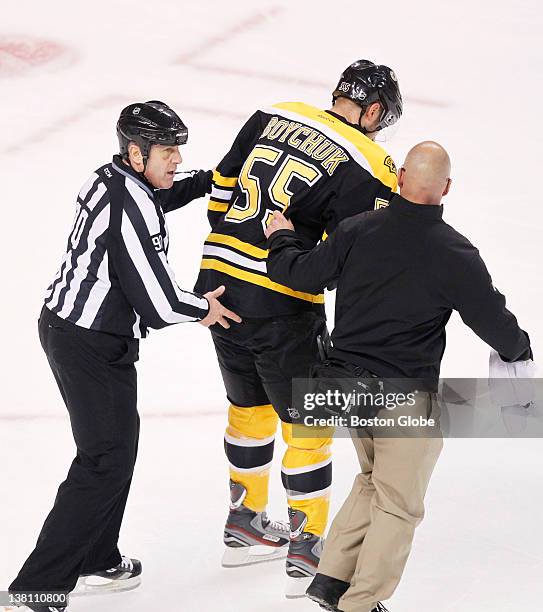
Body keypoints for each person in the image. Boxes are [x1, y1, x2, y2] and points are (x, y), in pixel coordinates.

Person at [264, 141, 533, 612]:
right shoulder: (455, 253)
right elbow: (496, 324)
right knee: (398, 503)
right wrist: (520, 350)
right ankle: (361, 604)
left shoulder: (356, 230)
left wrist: (282, 235)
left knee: (371, 481)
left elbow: (301, 275)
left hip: (341, 389)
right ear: (447, 188)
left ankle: (330, 583)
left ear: (401, 176)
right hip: (403, 399)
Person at [9, 101, 240, 612]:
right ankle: (38, 585)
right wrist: (207, 308)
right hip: (86, 341)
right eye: (167, 150)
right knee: (103, 460)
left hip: (83, 332)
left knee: (116, 450)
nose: (176, 159)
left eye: (179, 148)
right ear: (136, 153)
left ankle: (97, 557)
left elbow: (163, 194)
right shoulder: (128, 204)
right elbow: (157, 302)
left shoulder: (115, 178)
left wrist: (205, 180)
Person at [193, 60, 403, 596]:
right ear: (375, 111)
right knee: (308, 424)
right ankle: (307, 550)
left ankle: (244, 523)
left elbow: (221, 185)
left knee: (248, 407)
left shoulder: (273, 113)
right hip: (280, 301)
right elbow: (358, 248)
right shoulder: (369, 159)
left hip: (216, 286)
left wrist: (228, 256)